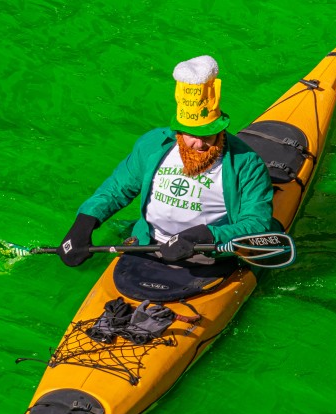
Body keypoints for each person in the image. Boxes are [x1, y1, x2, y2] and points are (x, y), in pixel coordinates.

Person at [57, 54, 274, 267]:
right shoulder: (153, 144)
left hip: (206, 252)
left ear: (220, 130)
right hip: (147, 245)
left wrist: (206, 235)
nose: (199, 145)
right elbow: (117, 188)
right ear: (178, 131)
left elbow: (257, 224)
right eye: (191, 136)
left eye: (207, 135)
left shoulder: (247, 164)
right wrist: (85, 221)